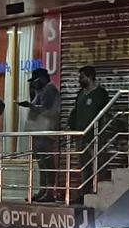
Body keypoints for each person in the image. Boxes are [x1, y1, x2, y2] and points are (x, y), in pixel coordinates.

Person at [19, 67, 62, 202]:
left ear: (42, 78)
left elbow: (46, 109)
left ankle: (49, 192)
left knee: (46, 163)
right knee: (41, 164)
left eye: (35, 81)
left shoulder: (49, 90)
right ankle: (43, 190)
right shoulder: (42, 91)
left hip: (45, 131)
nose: (33, 84)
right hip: (39, 132)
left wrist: (30, 106)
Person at [68, 65, 111, 194]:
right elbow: (75, 112)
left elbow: (106, 114)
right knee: (83, 166)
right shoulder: (80, 94)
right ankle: (84, 193)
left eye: (82, 77)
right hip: (81, 135)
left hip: (96, 135)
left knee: (98, 165)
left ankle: (99, 191)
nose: (79, 80)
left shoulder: (101, 94)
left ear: (90, 77)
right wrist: (71, 126)